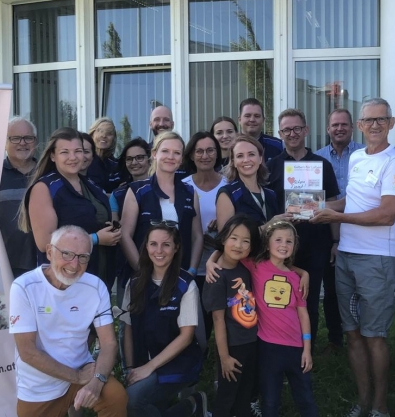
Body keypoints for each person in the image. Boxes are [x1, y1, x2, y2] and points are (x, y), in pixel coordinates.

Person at [311, 97, 395, 417]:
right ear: (360, 125)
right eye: (368, 120)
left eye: (381, 120)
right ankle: (363, 402)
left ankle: (381, 409)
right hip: (347, 255)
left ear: (391, 123)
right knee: (352, 334)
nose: (374, 125)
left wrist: (336, 217)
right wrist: (311, 206)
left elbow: (387, 214)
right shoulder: (356, 158)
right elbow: (348, 202)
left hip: (376, 259)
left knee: (374, 335)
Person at [7, 225, 127, 417]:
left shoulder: (95, 286)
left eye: (83, 257)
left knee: (115, 396)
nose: (74, 265)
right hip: (40, 382)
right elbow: (28, 352)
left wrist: (96, 381)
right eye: (67, 254)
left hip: (82, 372)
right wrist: (77, 377)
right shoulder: (24, 286)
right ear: (50, 252)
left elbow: (109, 343)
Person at [208, 221, 324, 417]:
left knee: (305, 395)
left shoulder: (295, 277)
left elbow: (303, 314)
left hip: (294, 348)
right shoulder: (255, 266)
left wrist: (307, 348)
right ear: (267, 244)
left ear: (295, 246)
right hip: (267, 347)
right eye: (277, 240)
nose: (283, 245)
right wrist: (210, 260)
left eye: (289, 241)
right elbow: (232, 248)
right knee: (269, 398)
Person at [120, 223, 210, 417]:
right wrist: (130, 367)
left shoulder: (186, 284)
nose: (159, 251)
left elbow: (186, 337)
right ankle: (193, 404)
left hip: (177, 362)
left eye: (166, 245)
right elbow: (127, 327)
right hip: (143, 362)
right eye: (153, 244)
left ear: (176, 247)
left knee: (133, 401)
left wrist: (149, 368)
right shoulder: (134, 282)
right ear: (146, 247)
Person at [267, 108, 340, 343]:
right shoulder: (271, 166)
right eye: (286, 130)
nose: (292, 133)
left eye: (297, 128)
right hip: (280, 245)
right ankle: (283, 345)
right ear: (280, 134)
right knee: (279, 297)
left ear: (306, 130)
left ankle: (307, 349)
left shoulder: (322, 164)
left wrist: (336, 241)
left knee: (309, 299)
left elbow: (331, 203)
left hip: (316, 242)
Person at [201, 214, 265, 417]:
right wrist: (224, 356)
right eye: (234, 238)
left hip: (251, 343)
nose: (239, 245)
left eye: (245, 241)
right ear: (223, 239)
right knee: (225, 399)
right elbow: (217, 321)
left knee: (245, 395)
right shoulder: (216, 276)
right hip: (231, 349)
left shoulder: (245, 268)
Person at [19, 127, 120, 292]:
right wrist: (96, 239)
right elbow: (45, 243)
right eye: (64, 152)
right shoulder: (44, 188)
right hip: (62, 284)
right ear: (53, 156)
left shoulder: (90, 185)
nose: (73, 157)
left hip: (96, 279)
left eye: (78, 151)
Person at [120, 132, 203, 277]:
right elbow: (125, 235)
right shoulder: (137, 191)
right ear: (154, 154)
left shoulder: (190, 192)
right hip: (144, 276)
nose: (170, 157)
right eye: (165, 151)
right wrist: (142, 271)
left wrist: (192, 270)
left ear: (181, 159)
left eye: (176, 153)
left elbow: (197, 236)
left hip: (181, 275)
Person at [315, 108, 364, 350]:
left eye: (344, 124)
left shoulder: (365, 155)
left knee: (361, 285)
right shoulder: (317, 159)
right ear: (328, 129)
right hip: (329, 230)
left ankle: (364, 335)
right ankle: (336, 338)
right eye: (335, 125)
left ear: (352, 127)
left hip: (361, 226)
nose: (339, 128)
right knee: (332, 286)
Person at [182, 131, 226, 339]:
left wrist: (223, 223)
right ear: (191, 155)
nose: (205, 156)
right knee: (195, 315)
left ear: (217, 153)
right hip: (191, 262)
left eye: (210, 150)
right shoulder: (183, 186)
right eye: (199, 151)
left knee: (218, 314)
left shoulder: (228, 185)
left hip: (220, 261)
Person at [0, 117, 38, 279]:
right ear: (4, 142)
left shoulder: (48, 172)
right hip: (6, 265)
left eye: (28, 138)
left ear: (35, 141)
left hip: (45, 262)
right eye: (15, 138)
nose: (22, 143)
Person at [215, 134, 282, 230]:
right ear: (234, 162)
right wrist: (268, 226)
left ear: (260, 159)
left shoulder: (271, 194)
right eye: (240, 156)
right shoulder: (227, 194)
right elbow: (226, 235)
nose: (246, 160)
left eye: (251, 154)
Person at [238, 98, 283, 163]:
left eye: (257, 116)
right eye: (247, 116)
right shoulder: (231, 145)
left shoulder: (278, 145)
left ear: (263, 120)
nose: (252, 120)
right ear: (239, 120)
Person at [86, 117, 120, 194]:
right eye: (100, 131)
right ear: (92, 134)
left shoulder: (116, 165)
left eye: (109, 133)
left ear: (113, 139)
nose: (104, 135)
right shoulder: (84, 161)